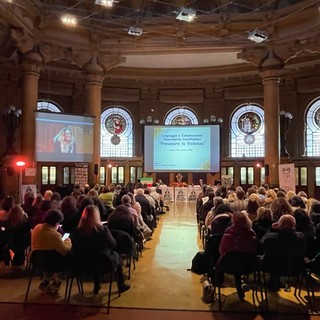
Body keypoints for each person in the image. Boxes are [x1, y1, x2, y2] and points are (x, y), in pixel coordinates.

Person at [70, 205, 130, 294]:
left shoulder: (76, 231)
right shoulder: (102, 230)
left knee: (92, 257)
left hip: (82, 264)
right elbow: (113, 244)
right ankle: (121, 285)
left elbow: (74, 247)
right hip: (103, 264)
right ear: (96, 216)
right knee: (116, 256)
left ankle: (97, 285)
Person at [215, 211, 258, 300]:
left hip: (228, 264)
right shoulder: (252, 233)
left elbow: (222, 250)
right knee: (239, 260)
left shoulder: (229, 232)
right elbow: (255, 249)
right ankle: (239, 285)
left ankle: (217, 283)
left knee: (224, 261)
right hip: (249, 265)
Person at [31, 209, 72, 294]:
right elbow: (65, 250)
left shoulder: (37, 227)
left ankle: (46, 280)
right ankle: (57, 282)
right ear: (57, 223)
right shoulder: (54, 235)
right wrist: (68, 241)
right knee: (69, 258)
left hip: (37, 260)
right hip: (52, 263)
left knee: (49, 256)